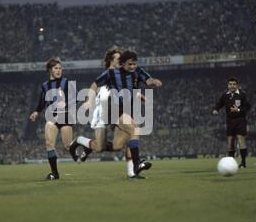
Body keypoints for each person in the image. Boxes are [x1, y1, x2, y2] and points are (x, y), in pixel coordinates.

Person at [70, 50, 162, 179]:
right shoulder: (111, 73)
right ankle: (137, 165)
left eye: (134, 64)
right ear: (122, 63)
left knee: (117, 146)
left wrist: (153, 81)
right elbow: (95, 84)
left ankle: (81, 141)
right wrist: (89, 100)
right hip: (114, 110)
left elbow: (148, 80)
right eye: (130, 64)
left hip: (128, 111)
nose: (132, 67)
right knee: (134, 129)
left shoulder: (138, 71)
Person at [29, 58, 77, 180]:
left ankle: (83, 143)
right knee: (49, 143)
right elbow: (41, 102)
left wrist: (66, 103)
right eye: (56, 68)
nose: (59, 70)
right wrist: (36, 112)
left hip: (65, 116)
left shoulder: (66, 82)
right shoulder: (45, 86)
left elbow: (74, 98)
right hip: (51, 117)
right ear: (50, 70)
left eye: (60, 68)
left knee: (67, 146)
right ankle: (54, 173)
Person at [212, 77, 251, 168]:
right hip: (230, 121)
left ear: (237, 85)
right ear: (228, 85)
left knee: (241, 139)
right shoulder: (225, 95)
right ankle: (231, 164)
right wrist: (215, 109)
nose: (232, 86)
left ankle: (243, 163)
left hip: (240, 120)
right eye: (230, 84)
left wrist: (238, 109)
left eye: (234, 84)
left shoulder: (242, 95)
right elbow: (219, 104)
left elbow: (248, 107)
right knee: (230, 141)